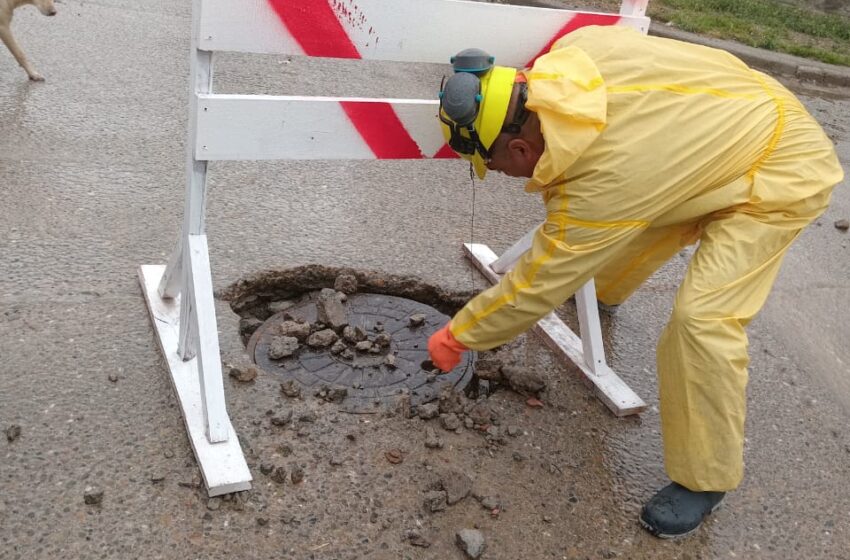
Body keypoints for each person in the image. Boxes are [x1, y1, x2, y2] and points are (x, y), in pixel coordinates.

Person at [427, 25, 844, 539]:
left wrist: (459, 335)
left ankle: (704, 479)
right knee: (641, 214)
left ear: (518, 148)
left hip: (783, 168)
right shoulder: (574, 53)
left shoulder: (605, 184)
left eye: (490, 164)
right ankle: (605, 292)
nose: (503, 176)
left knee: (702, 322)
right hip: (724, 120)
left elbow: (537, 283)